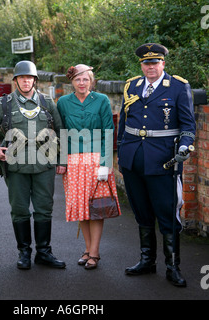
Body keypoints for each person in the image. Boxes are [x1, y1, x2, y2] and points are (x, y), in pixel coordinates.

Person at [117, 43, 196, 287]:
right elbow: (124, 122)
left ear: (163, 63)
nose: (150, 67)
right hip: (133, 160)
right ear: (141, 65)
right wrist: (121, 151)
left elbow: (188, 126)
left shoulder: (178, 87)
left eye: (154, 62)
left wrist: (184, 146)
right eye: (146, 63)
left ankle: (172, 267)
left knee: (167, 215)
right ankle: (147, 261)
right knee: (141, 213)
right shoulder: (132, 85)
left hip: (164, 162)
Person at [0, 60, 66, 270]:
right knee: (19, 210)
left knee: (44, 209)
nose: (26, 81)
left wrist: (62, 160)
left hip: (44, 165)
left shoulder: (47, 102)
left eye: (29, 78)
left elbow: (62, 130)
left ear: (35, 80)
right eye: (22, 78)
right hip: (16, 166)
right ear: (16, 80)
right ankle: (24, 252)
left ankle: (44, 252)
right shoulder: (5, 104)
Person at [57, 64, 121, 270]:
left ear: (91, 81)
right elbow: (62, 133)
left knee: (97, 207)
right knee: (80, 208)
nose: (82, 83)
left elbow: (108, 132)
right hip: (74, 162)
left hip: (96, 162)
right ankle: (87, 249)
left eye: (85, 79)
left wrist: (106, 164)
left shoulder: (101, 100)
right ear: (72, 82)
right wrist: (62, 161)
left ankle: (95, 252)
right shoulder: (63, 102)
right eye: (77, 79)